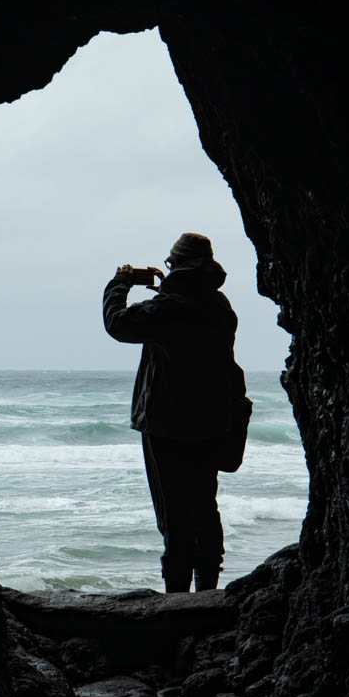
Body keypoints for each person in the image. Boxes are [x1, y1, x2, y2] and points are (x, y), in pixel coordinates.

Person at [103, 232, 246, 593]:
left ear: (176, 265)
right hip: (212, 422)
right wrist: (170, 288)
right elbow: (187, 318)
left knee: (175, 518)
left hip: (167, 425)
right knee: (204, 507)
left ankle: (177, 599)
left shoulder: (168, 309)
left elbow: (118, 324)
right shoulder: (219, 307)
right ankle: (209, 592)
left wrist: (120, 282)